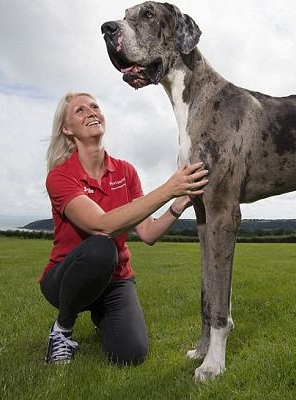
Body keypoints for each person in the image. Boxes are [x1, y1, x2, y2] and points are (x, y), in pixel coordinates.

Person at [40, 92, 209, 365]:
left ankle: (102, 317)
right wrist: (169, 188)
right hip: (65, 279)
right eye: (80, 111)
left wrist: (179, 203)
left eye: (95, 106)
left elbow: (147, 233)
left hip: (115, 280)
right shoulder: (60, 176)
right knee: (101, 247)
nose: (92, 112)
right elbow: (101, 225)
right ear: (66, 129)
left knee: (130, 355)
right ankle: (62, 330)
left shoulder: (125, 171)